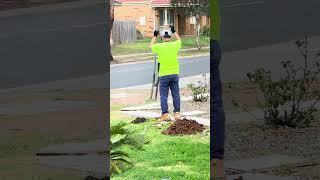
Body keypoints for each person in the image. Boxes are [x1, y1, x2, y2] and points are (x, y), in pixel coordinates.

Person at [149, 24, 182, 124]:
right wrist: (174, 31)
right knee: (176, 94)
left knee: (164, 95)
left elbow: (150, 46)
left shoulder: (159, 47)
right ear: (170, 37)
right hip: (174, 74)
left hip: (164, 74)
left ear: (162, 37)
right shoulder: (175, 45)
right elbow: (179, 40)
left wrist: (154, 36)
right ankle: (177, 113)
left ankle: (165, 114)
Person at [211, 0, 226, 179]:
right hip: (214, 41)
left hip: (210, 43)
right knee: (215, 104)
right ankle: (216, 161)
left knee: (213, 103)